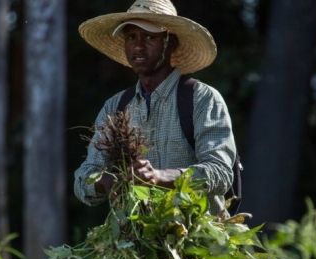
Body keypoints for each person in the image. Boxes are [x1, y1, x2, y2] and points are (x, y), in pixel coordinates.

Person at [74, 0, 237, 218]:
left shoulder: (202, 99)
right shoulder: (116, 107)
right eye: (131, 37)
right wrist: (107, 182)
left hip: (201, 242)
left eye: (150, 37)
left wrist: (160, 177)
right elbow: (83, 179)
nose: (138, 46)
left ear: (170, 42)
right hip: (136, 246)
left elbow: (220, 174)